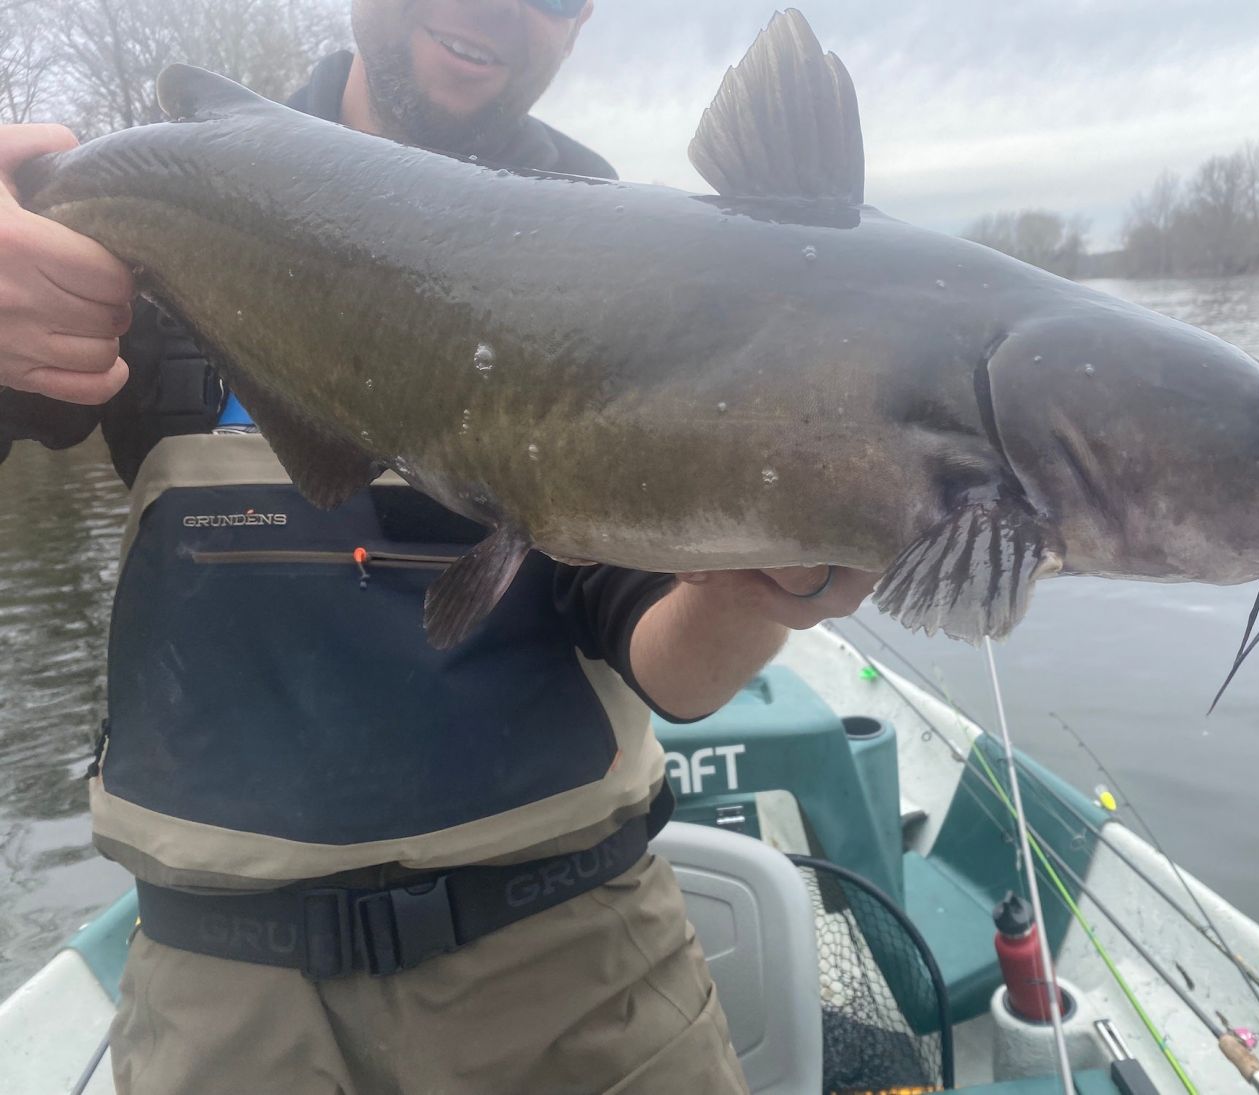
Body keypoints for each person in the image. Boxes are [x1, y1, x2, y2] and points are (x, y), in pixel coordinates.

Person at [0, 2, 877, 1092]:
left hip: (578, 965)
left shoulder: (638, 260)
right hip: (225, 996)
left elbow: (667, 664)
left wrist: (774, 583)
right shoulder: (154, 193)